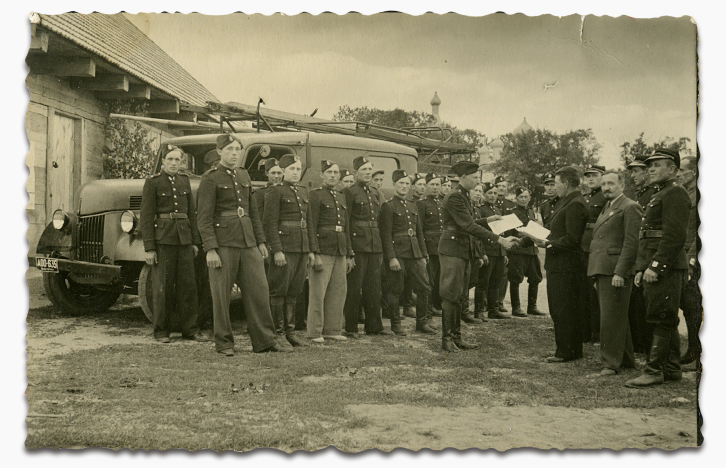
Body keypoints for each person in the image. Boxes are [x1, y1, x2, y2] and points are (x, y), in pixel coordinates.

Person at [197, 134, 290, 356]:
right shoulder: (210, 178)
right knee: (221, 295)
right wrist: (210, 249)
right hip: (223, 242)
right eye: (229, 149)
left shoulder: (243, 174)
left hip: (248, 241)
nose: (234, 153)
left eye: (237, 149)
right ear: (220, 152)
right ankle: (224, 343)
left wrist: (260, 241)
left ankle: (265, 341)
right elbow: (204, 218)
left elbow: (253, 213)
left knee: (259, 290)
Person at [626, 149, 691, 388]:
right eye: (650, 166)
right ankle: (671, 369)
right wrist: (642, 267)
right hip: (658, 265)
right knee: (663, 316)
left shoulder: (675, 192)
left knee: (661, 317)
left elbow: (674, 237)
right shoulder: (660, 193)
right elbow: (648, 236)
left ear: (672, 169)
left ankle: (653, 371)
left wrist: (656, 266)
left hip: (668, 267)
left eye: (657, 165)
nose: (651, 169)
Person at [438, 161, 516, 352]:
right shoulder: (455, 197)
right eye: (474, 178)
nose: (477, 181)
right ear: (463, 177)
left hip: (461, 249)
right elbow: (468, 225)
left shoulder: (463, 195)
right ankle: (447, 340)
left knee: (459, 295)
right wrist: (499, 239)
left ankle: (456, 338)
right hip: (453, 249)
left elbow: (469, 222)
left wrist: (488, 219)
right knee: (451, 294)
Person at [140, 144, 207, 344]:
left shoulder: (184, 181)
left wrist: (194, 242)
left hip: (184, 239)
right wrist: (149, 247)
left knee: (188, 285)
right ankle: (161, 331)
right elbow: (146, 216)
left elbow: (191, 214)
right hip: (163, 240)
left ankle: (190, 329)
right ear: (162, 162)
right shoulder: (153, 182)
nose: (174, 163)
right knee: (162, 287)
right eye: (170, 159)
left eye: (177, 160)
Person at [586, 171, 643, 376]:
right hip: (604, 269)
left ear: (622, 185)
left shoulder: (629, 206)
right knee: (615, 316)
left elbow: (631, 243)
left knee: (611, 318)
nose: (606, 188)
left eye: (611, 183)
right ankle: (626, 359)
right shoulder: (608, 206)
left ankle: (610, 363)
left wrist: (620, 272)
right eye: (603, 184)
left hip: (615, 271)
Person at [537, 166, 588, 363]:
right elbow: (553, 230)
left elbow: (572, 239)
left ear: (566, 184)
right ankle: (571, 349)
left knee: (563, 309)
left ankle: (566, 351)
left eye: (557, 184)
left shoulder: (575, 204)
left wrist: (547, 244)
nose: (555, 187)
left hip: (566, 266)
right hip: (560, 265)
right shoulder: (567, 201)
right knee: (564, 308)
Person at [263, 154, 315, 348]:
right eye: (292, 169)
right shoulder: (275, 191)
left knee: (294, 291)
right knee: (279, 291)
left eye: (298, 169)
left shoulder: (303, 192)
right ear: (283, 171)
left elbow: (308, 223)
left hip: (301, 247)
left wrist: (310, 250)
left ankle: (290, 333)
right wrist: (276, 250)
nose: (295, 172)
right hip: (284, 248)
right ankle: (278, 334)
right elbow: (269, 223)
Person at [342, 156, 393, 337]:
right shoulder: (349, 192)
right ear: (356, 172)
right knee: (354, 288)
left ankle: (374, 326)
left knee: (374, 288)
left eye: (369, 170)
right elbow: (346, 223)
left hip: (374, 245)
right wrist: (349, 251)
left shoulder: (374, 193)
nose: (367, 173)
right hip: (357, 245)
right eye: (364, 170)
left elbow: (379, 221)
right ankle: (351, 327)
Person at [307, 160, 354, 343]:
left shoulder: (341, 196)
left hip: (339, 249)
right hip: (323, 248)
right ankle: (315, 331)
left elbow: (346, 227)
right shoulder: (315, 195)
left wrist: (349, 254)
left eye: (335, 173)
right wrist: (315, 252)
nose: (333, 176)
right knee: (318, 293)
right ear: (322, 175)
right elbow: (311, 225)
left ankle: (332, 329)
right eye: (329, 172)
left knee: (338, 291)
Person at [380, 170, 432, 335]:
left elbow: (419, 233)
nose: (404, 186)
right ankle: (396, 324)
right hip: (398, 254)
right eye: (401, 183)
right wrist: (391, 257)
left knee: (424, 287)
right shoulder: (388, 206)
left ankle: (421, 323)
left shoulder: (412, 205)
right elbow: (386, 235)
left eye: (407, 183)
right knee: (396, 289)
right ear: (394, 185)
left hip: (415, 253)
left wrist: (423, 254)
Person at [626, 156, 655, 355]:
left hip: (647, 252)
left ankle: (646, 345)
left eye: (636, 171)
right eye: (632, 171)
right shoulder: (638, 194)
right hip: (637, 251)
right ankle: (639, 344)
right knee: (636, 301)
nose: (632, 175)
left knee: (645, 301)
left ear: (646, 172)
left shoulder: (653, 194)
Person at [677, 156, 702, 366]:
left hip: (694, 256)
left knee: (693, 306)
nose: (678, 174)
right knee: (687, 305)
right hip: (683, 255)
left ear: (693, 172)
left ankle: (696, 352)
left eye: (682, 170)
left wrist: (692, 259)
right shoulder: (685, 194)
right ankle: (693, 350)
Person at [507, 187, 544, 317]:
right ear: (516, 199)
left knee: (535, 278)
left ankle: (532, 306)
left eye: (526, 197)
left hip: (532, 250)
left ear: (529, 198)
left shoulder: (531, 211)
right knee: (515, 279)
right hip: (518, 250)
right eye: (521, 197)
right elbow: (511, 232)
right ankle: (516, 307)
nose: (523, 199)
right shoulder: (512, 213)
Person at [474, 182, 509, 320]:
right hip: (487, 250)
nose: (493, 196)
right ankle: (479, 310)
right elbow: (478, 233)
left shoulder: (498, 210)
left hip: (498, 251)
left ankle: (493, 310)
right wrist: (482, 253)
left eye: (495, 193)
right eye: (490, 193)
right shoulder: (481, 210)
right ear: (484, 195)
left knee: (496, 281)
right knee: (483, 282)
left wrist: (503, 253)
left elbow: (501, 232)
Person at [581, 164, 607, 343]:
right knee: (585, 290)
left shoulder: (605, 196)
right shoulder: (585, 197)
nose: (590, 179)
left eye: (594, 175)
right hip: (584, 246)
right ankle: (587, 329)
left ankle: (597, 331)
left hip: (597, 246)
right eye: (588, 176)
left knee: (596, 290)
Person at [416, 173, 445, 322]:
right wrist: (423, 250)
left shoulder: (442, 203)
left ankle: (435, 306)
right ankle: (427, 312)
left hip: (441, 247)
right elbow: (419, 228)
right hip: (429, 246)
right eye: (432, 184)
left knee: (440, 278)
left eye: (437, 185)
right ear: (426, 186)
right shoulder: (421, 204)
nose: (435, 188)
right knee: (429, 280)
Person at [494, 176, 516, 313]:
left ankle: (500, 301)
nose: (501, 188)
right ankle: (488, 300)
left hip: (507, 240)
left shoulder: (510, 204)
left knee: (504, 272)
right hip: (494, 240)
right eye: (499, 186)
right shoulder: (490, 201)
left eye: (503, 186)